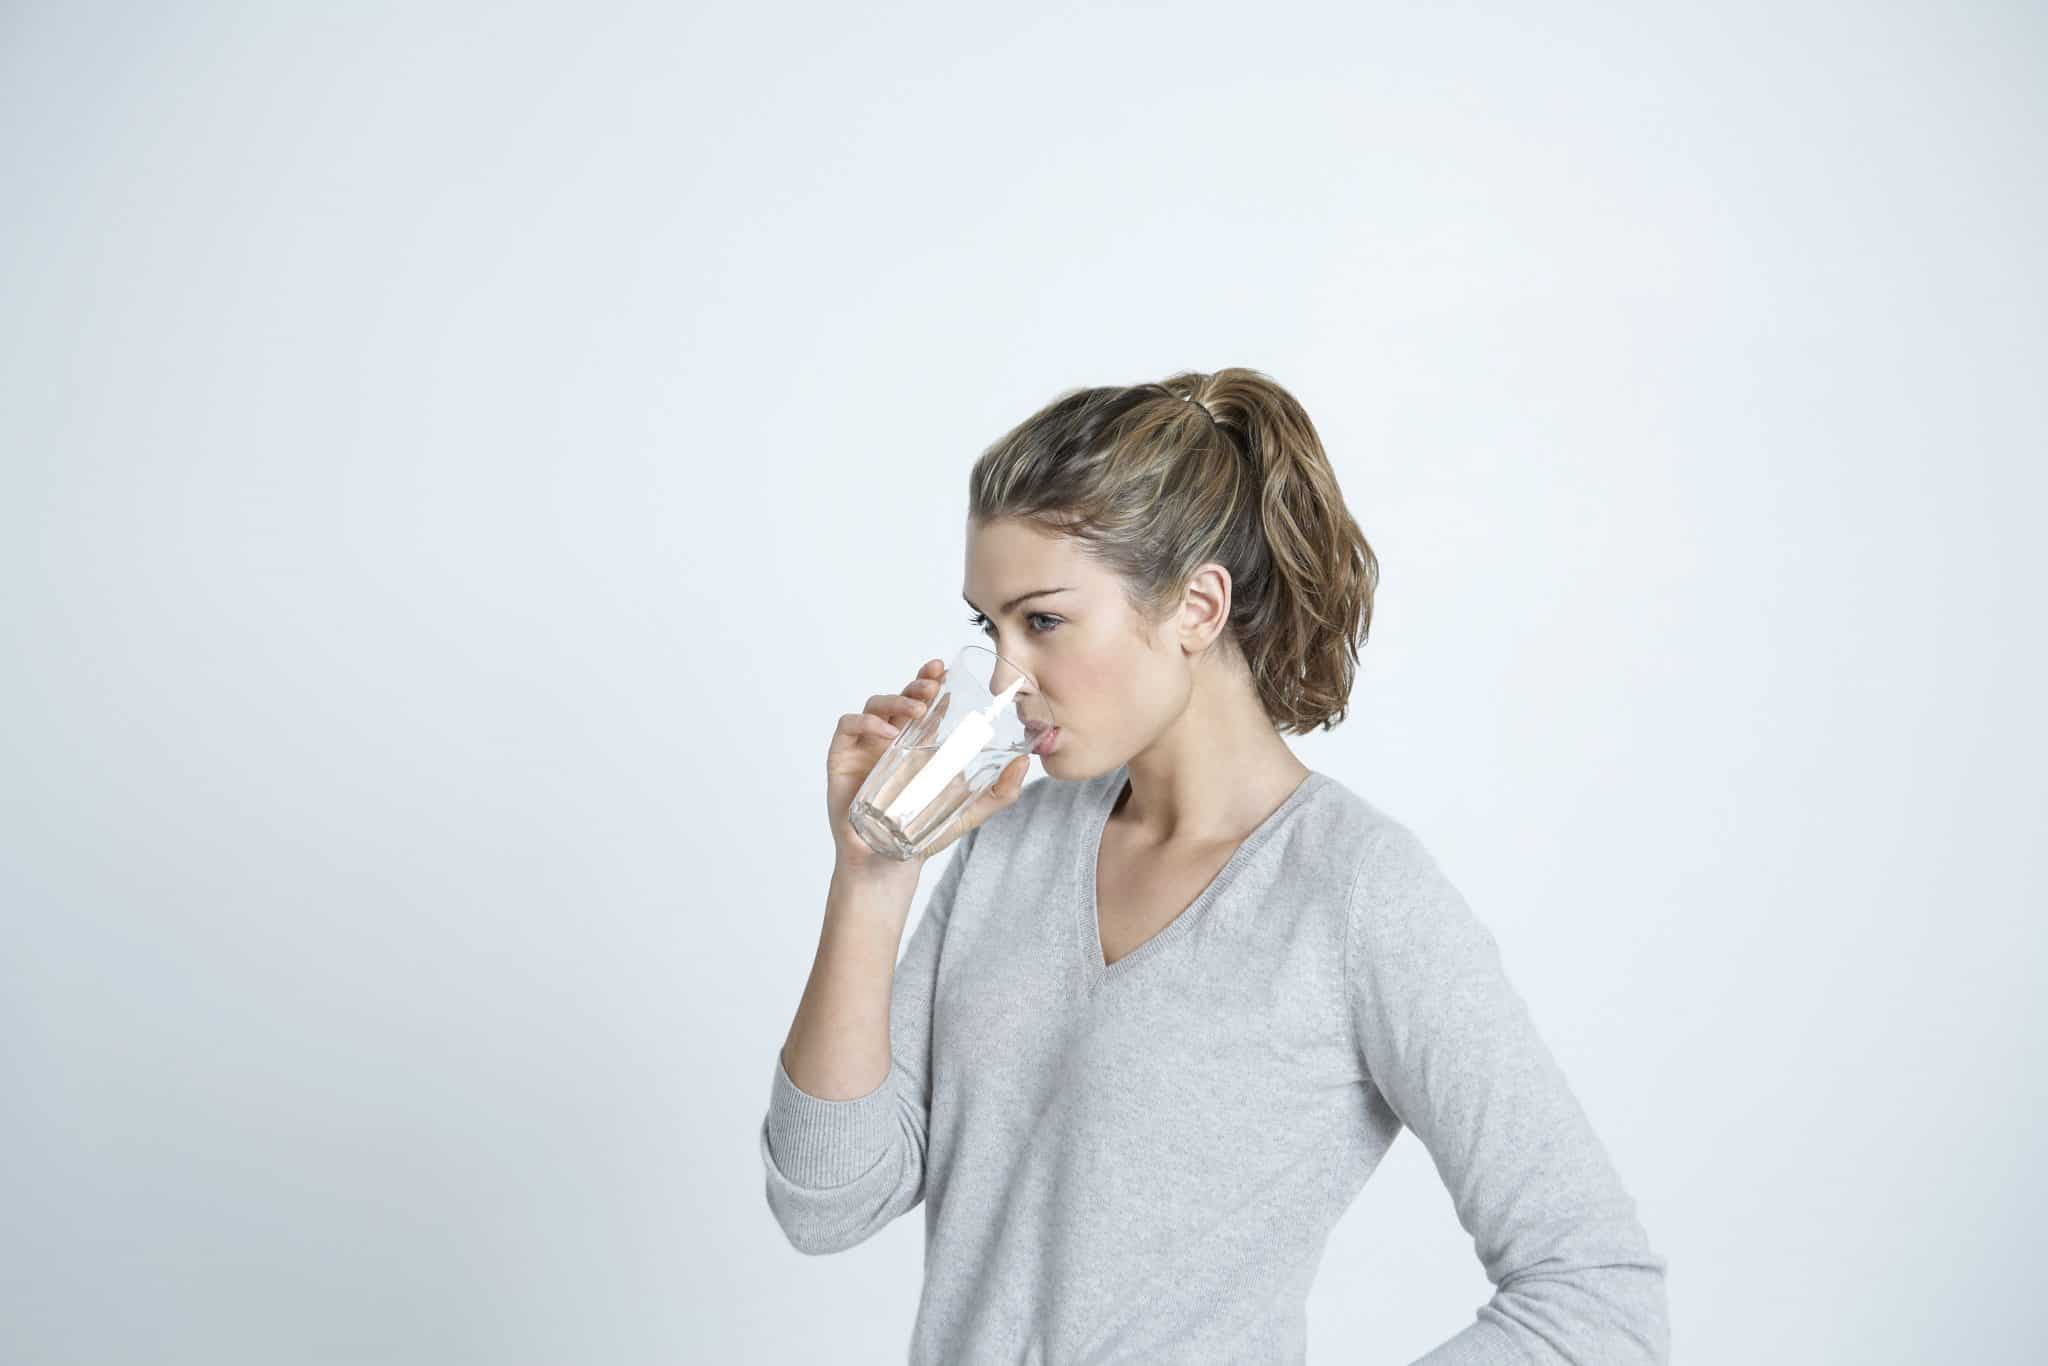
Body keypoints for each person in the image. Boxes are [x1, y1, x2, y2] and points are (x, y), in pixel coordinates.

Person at [759, 368, 1671, 1364]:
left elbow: (1596, 1293)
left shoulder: (1352, 892)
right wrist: (874, 872)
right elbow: (827, 1200)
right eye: (991, 626)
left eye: (1044, 620)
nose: (1005, 676)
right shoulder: (1013, 841)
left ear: (1196, 606)